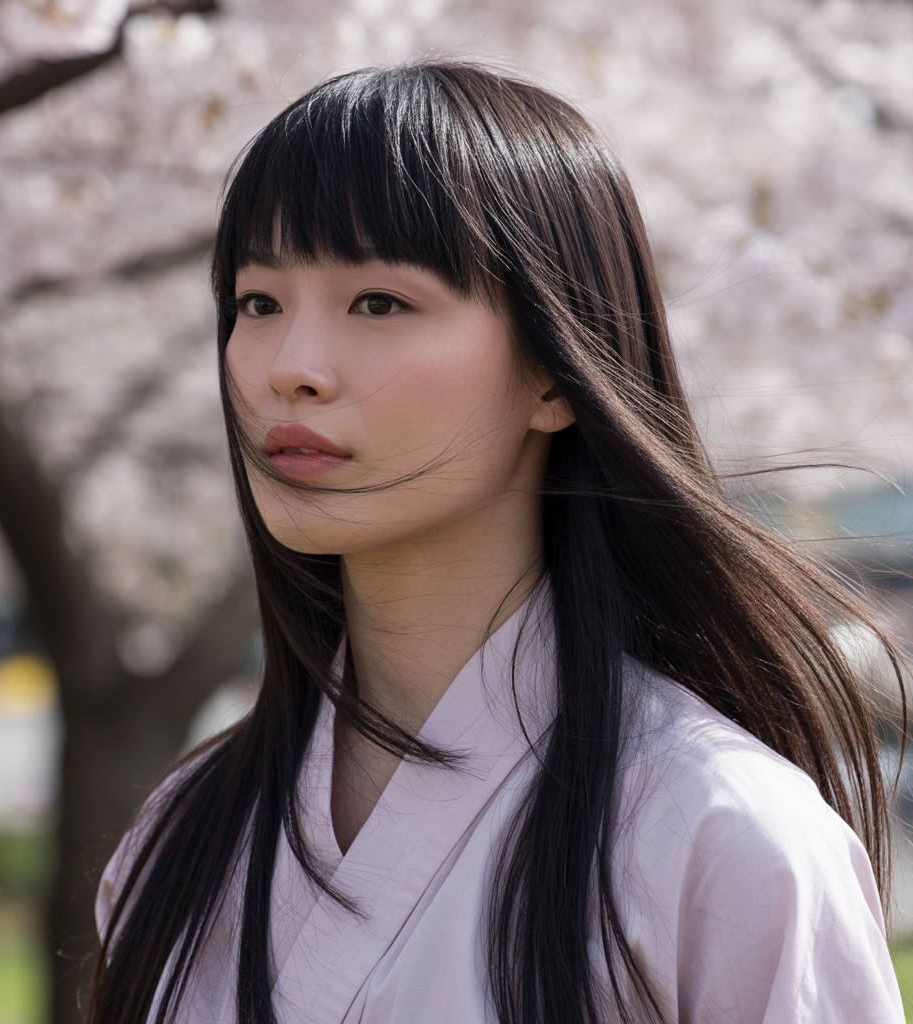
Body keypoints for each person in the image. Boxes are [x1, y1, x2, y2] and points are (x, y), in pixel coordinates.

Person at [89, 61, 906, 1024]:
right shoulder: (179, 837)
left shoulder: (721, 834)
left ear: (555, 375)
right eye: (258, 303)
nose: (289, 369)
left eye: (379, 302)